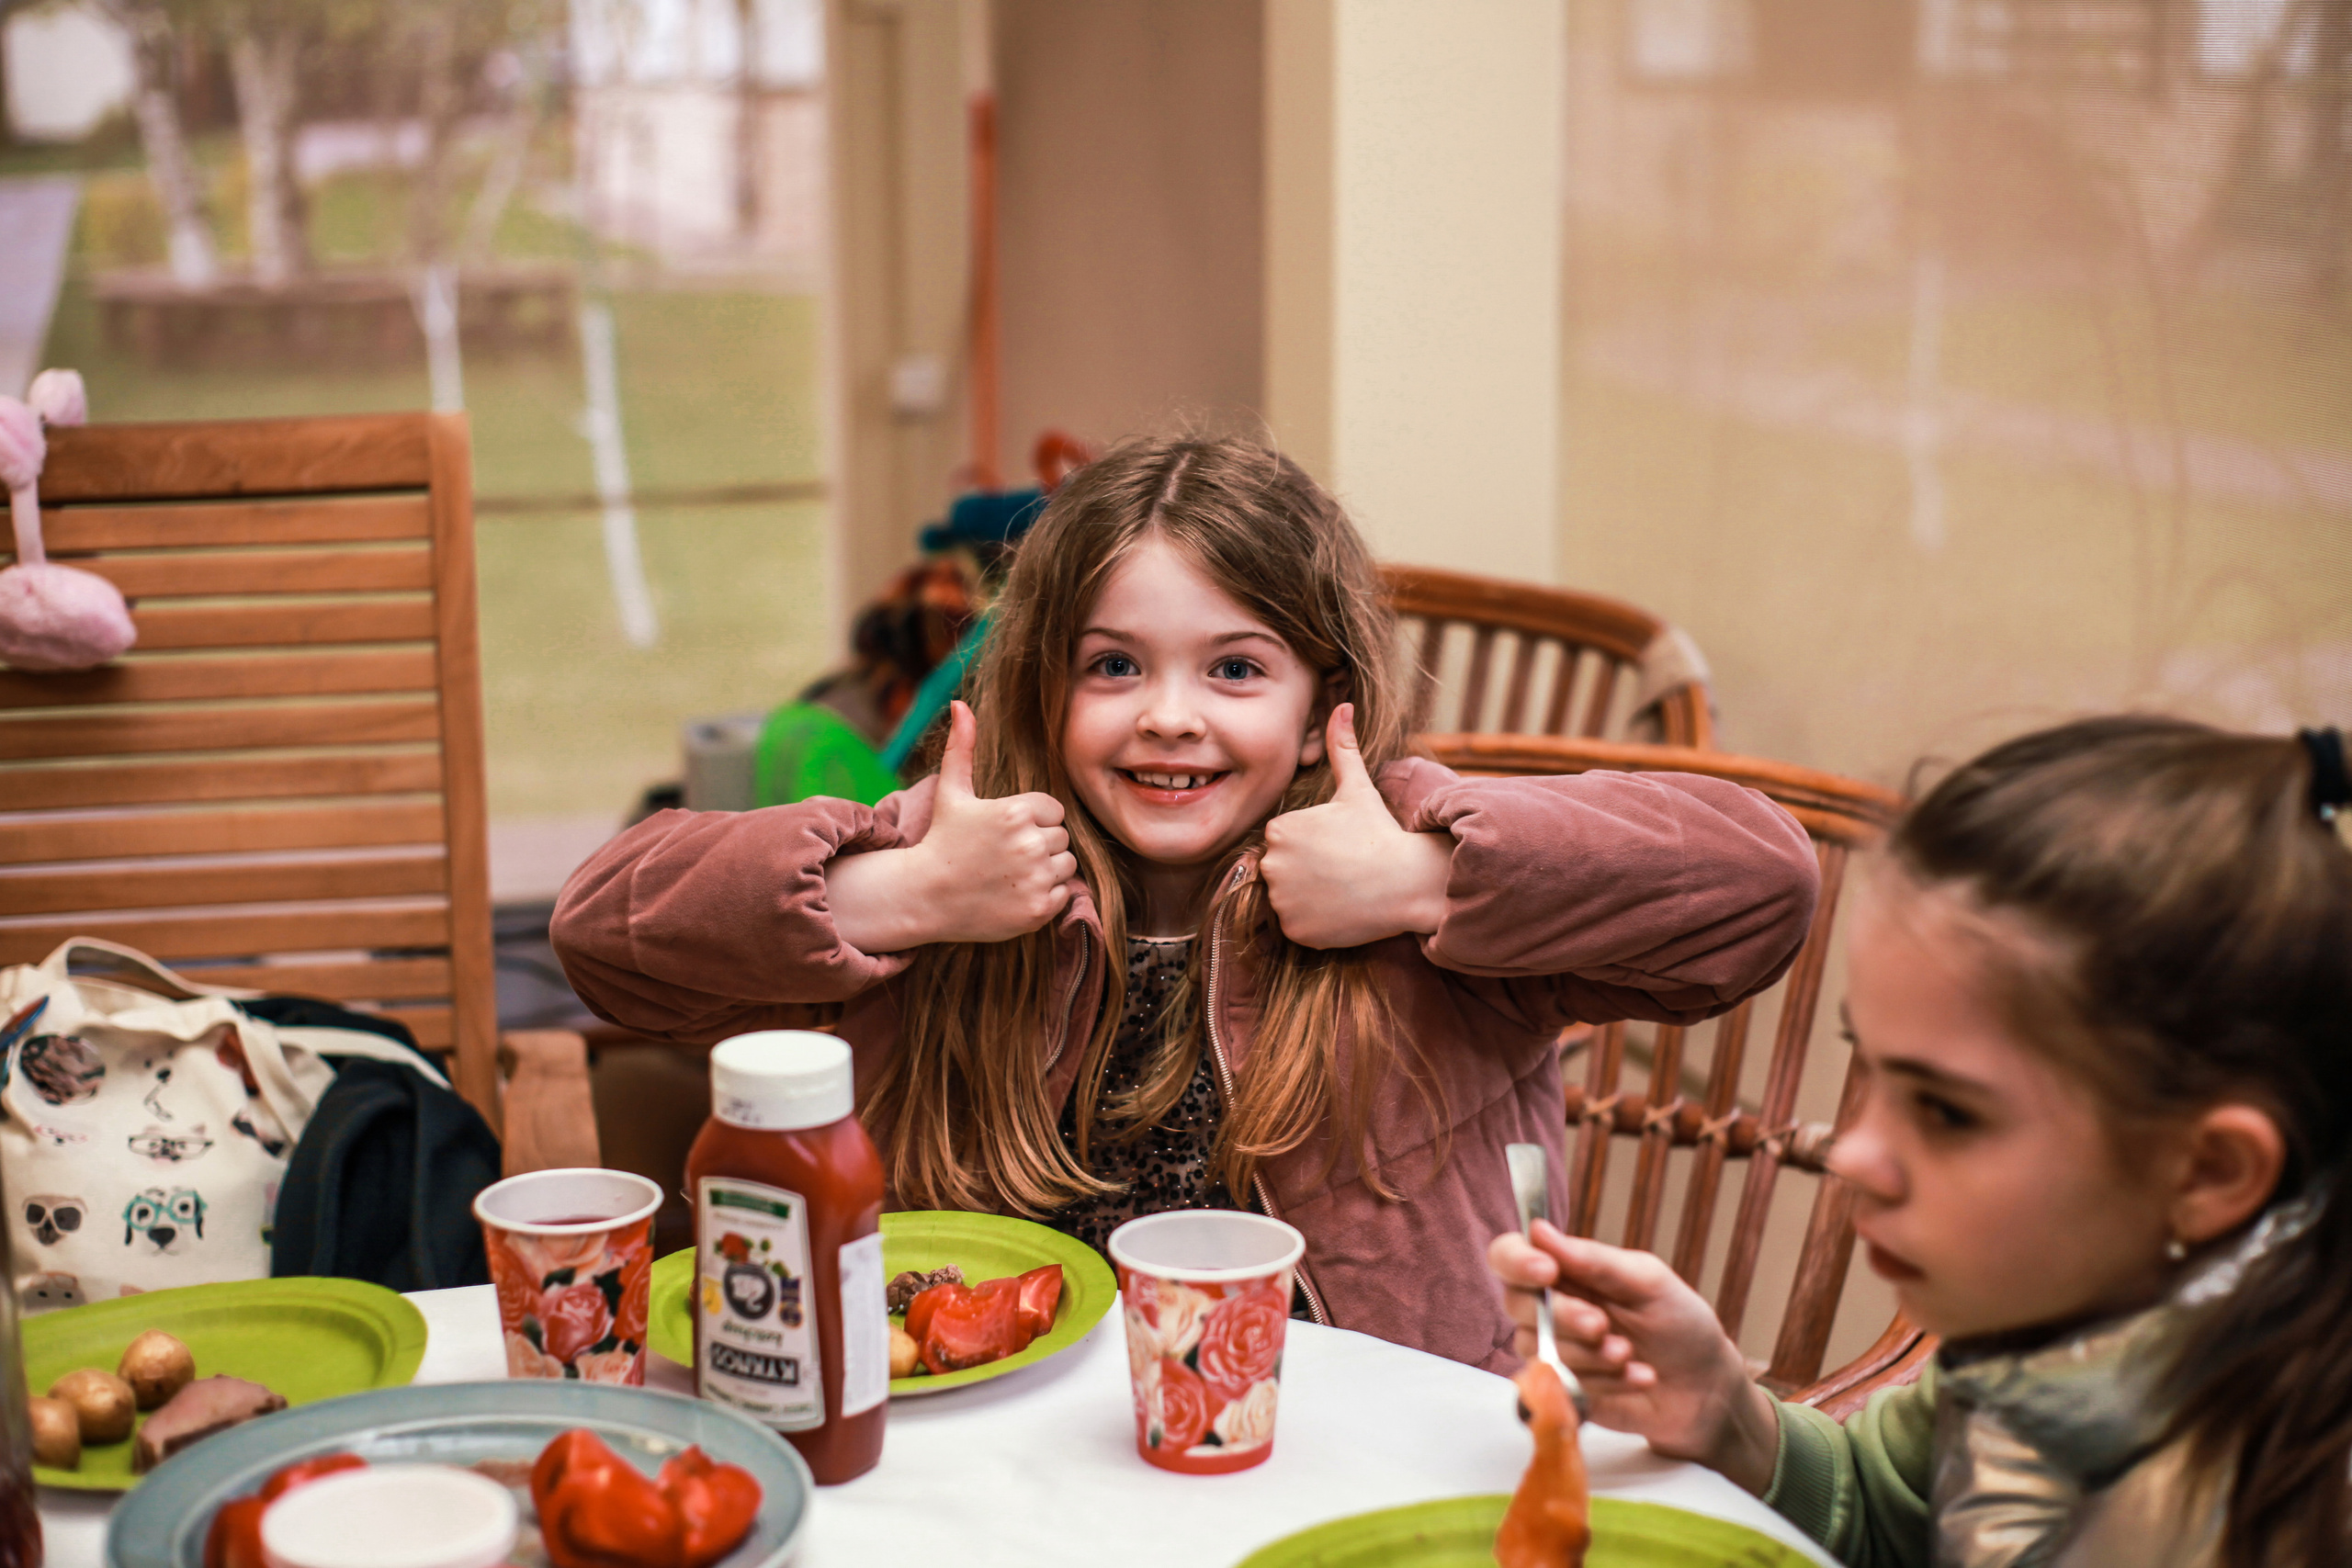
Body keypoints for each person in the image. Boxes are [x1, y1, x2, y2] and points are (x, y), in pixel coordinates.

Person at [554, 434, 1819, 1370]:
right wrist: (900, 892)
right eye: (1114, 665)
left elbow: (1763, 885)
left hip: (1367, 1450)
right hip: (1010, 1447)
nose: (1170, 715)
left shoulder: (1401, 845)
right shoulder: (963, 847)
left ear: (1323, 697)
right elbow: (601, 934)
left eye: (1235, 668)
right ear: (1042, 686)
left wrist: (1423, 879)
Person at [1489, 716, 2352, 1565]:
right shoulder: (2037, 1335)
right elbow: (1886, 1513)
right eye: (1869, 1072)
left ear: (2208, 1172)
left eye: (1946, 1110)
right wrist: (1727, 1413)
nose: (1851, 1155)